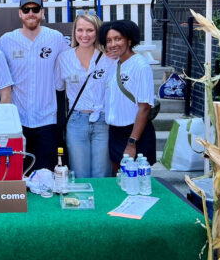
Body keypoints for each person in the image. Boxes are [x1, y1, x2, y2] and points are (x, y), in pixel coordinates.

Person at [0, 0, 67, 171]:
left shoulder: (56, 38)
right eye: (26, 10)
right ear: (20, 13)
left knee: (46, 175)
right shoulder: (6, 40)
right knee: (17, 175)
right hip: (17, 120)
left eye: (35, 9)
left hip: (47, 119)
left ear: (42, 12)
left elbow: (74, 60)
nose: (31, 13)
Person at [56, 13, 115, 178]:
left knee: (102, 174)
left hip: (103, 121)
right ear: (74, 32)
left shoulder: (110, 58)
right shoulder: (64, 58)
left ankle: (104, 204)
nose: (84, 35)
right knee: (79, 173)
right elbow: (58, 87)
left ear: (98, 32)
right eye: (80, 30)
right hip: (76, 121)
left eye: (90, 30)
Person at [100, 19, 157, 170]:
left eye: (118, 39)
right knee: (117, 182)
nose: (113, 44)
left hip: (134, 134)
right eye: (109, 40)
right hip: (115, 133)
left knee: (136, 181)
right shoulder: (114, 64)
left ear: (129, 40)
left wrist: (132, 143)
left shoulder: (140, 65)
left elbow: (144, 107)